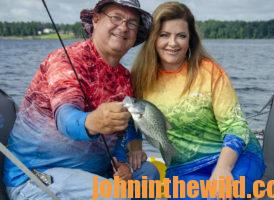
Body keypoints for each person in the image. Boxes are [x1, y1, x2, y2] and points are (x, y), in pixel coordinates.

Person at [3, 0, 159, 199]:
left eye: (132, 23)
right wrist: (92, 121)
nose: (123, 27)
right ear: (96, 20)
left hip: (93, 172)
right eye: (116, 17)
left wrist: (120, 163)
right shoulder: (65, 60)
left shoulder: (125, 78)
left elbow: (119, 136)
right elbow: (65, 117)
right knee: (116, 195)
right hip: (35, 176)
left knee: (148, 175)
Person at [131, 2, 265, 199]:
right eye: (164, 35)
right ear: (153, 38)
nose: (173, 43)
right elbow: (130, 117)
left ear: (190, 39)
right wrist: (135, 147)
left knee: (223, 194)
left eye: (181, 36)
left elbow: (236, 126)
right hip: (183, 168)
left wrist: (223, 169)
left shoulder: (210, 71)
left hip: (235, 158)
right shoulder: (139, 78)